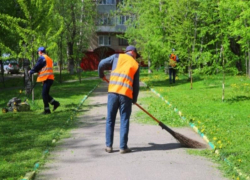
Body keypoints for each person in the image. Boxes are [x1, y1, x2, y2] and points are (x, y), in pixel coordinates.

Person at [98, 45, 140, 154]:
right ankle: (123, 147)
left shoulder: (117, 57)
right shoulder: (135, 64)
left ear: (126, 51)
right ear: (133, 53)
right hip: (126, 95)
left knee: (110, 119)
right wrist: (134, 99)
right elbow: (136, 86)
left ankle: (108, 146)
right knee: (124, 120)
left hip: (113, 92)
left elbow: (101, 63)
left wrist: (101, 75)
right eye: (136, 55)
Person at [29, 47, 60, 114]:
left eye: (38, 52)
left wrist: (31, 71)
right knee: (46, 94)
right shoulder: (48, 58)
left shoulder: (42, 58)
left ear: (40, 51)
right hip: (50, 78)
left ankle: (47, 110)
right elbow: (43, 67)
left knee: (44, 94)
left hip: (47, 78)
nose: (38, 53)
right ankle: (55, 103)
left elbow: (37, 66)